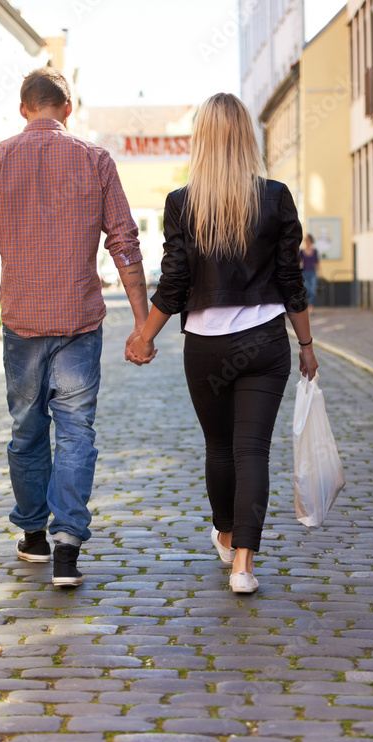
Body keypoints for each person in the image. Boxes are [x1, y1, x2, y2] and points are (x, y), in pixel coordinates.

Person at [0, 67, 149, 587]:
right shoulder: (95, 160)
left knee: (26, 432)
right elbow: (124, 243)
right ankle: (67, 547)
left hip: (22, 324)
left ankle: (33, 533)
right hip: (79, 321)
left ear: (22, 108)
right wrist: (143, 323)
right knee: (77, 433)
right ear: (68, 108)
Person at [126, 93, 318, 594]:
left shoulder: (182, 203)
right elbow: (290, 278)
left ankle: (228, 536)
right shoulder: (275, 197)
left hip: (207, 346)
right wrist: (306, 342)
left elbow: (173, 284)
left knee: (219, 447)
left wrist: (144, 337)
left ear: (203, 140)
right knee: (252, 450)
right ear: (247, 137)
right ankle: (244, 568)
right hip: (265, 342)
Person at [300, 233, 320, 313]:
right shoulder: (301, 251)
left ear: (311, 240)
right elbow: (300, 263)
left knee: (313, 289)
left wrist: (319, 273)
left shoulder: (315, 251)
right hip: (304, 272)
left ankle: (311, 305)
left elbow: (317, 263)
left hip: (313, 273)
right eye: (305, 239)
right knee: (306, 290)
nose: (306, 241)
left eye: (307, 239)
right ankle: (307, 304)